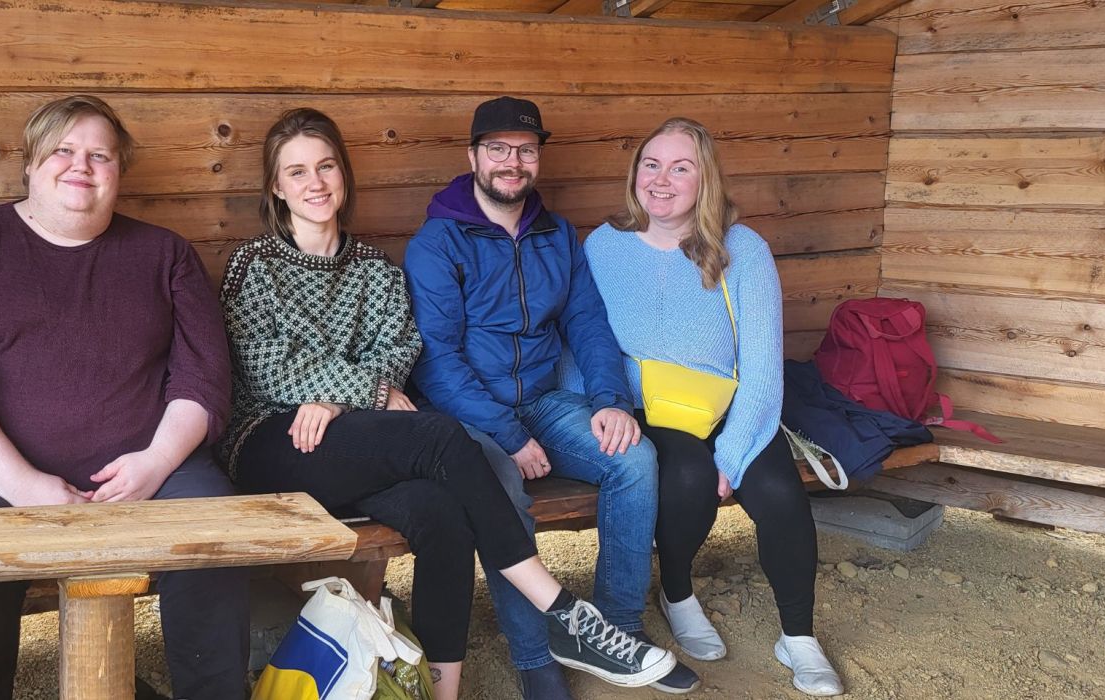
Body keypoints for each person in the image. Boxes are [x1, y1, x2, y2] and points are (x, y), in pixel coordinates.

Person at [218, 107, 677, 700]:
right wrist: (357, 394)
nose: (315, 183)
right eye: (297, 172)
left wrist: (341, 400)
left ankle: (444, 692)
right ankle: (565, 614)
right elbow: (268, 366)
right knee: (442, 436)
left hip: (363, 445)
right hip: (275, 439)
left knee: (442, 515)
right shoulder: (255, 265)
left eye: (326, 166)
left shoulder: (375, 270)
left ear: (344, 174)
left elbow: (399, 350)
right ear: (277, 187)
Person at [0, 95, 249, 700]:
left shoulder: (165, 255)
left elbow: (204, 379)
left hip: (142, 466)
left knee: (217, 532)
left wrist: (157, 462)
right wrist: (22, 485)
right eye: (62, 150)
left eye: (99, 156)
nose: (81, 165)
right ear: (30, 164)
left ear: (118, 173)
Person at [403, 96, 700, 699]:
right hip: (469, 417)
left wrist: (611, 401)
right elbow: (437, 362)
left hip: (543, 401)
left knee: (633, 459)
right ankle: (535, 653)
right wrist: (509, 436)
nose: (512, 162)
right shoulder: (437, 242)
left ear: (537, 159)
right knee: (501, 488)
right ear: (473, 157)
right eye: (497, 149)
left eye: (525, 150)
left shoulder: (557, 235)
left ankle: (615, 628)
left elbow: (588, 324)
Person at [568, 116, 845, 696]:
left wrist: (734, 454)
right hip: (645, 409)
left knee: (779, 493)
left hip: (727, 407)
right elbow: (585, 339)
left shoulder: (742, 249)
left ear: (705, 180)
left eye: (680, 168)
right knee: (688, 476)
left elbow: (763, 365)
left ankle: (798, 636)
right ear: (635, 174)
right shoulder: (603, 246)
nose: (661, 180)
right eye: (651, 165)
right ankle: (677, 593)